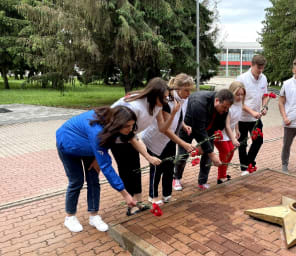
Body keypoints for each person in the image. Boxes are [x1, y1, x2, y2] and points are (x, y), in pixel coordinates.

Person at [56, 106, 138, 233]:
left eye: (132, 125)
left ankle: (94, 216)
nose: (130, 129)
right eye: (127, 126)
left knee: (93, 179)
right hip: (68, 146)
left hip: (89, 147)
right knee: (76, 181)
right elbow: (106, 166)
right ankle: (70, 217)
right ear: (117, 124)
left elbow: (107, 143)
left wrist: (97, 156)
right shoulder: (97, 131)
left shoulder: (111, 124)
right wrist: (126, 195)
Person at [110, 78, 181, 215]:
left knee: (136, 169)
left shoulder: (157, 105)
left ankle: (139, 202)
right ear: (155, 95)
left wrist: (173, 114)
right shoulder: (135, 107)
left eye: (167, 97)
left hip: (131, 135)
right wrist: (149, 157)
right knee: (127, 171)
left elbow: (162, 128)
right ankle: (131, 205)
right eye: (164, 97)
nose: (166, 100)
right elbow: (127, 134)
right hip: (117, 138)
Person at [141, 74, 195, 204]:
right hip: (157, 138)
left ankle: (167, 194)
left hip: (170, 139)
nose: (189, 93)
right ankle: (152, 196)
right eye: (186, 90)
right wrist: (184, 144)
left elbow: (178, 118)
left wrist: (184, 125)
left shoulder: (182, 99)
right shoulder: (166, 101)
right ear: (178, 89)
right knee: (157, 167)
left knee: (169, 166)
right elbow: (165, 128)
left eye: (190, 90)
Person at [173, 89, 234, 190]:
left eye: (228, 108)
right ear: (217, 101)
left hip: (207, 130)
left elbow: (219, 125)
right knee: (183, 154)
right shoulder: (199, 103)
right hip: (189, 126)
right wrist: (210, 152)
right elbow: (199, 129)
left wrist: (206, 148)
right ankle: (176, 178)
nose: (225, 111)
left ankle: (202, 181)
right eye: (224, 107)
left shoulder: (224, 109)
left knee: (208, 154)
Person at [236, 55, 269, 176]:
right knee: (242, 143)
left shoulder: (263, 78)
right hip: (242, 117)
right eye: (258, 68)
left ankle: (249, 162)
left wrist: (265, 107)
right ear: (252, 65)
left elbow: (264, 95)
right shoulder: (242, 79)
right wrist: (252, 112)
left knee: (258, 141)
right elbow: (238, 101)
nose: (260, 71)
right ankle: (244, 168)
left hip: (256, 118)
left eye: (262, 68)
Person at [214, 81, 244, 184]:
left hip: (229, 133)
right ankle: (221, 177)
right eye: (237, 94)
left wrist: (237, 129)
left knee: (231, 152)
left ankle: (223, 173)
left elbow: (235, 120)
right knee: (225, 152)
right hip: (221, 133)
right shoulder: (228, 106)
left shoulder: (240, 105)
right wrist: (233, 139)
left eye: (241, 94)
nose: (240, 97)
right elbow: (226, 125)